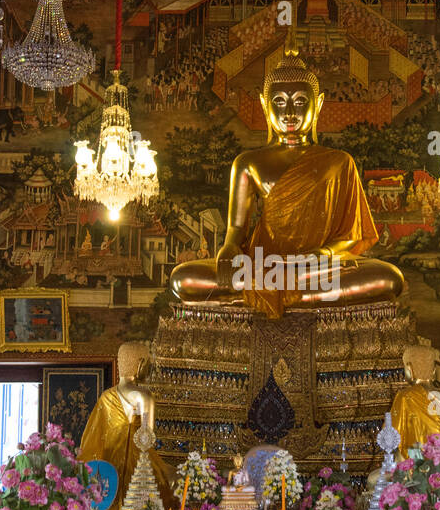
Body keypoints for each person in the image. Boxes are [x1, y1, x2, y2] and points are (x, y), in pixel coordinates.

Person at [168, 41, 404, 316]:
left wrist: (323, 255)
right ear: (264, 105)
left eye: (300, 102)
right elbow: (236, 229)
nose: (289, 113)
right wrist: (228, 251)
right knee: (183, 278)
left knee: (388, 278)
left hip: (317, 267)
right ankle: (293, 298)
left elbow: (352, 237)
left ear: (319, 105)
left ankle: (254, 300)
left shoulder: (340, 162)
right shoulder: (248, 163)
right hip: (264, 265)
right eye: (279, 102)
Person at [78, 342, 172, 510]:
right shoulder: (144, 397)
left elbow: (93, 442)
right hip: (137, 470)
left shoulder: (105, 397)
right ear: (140, 365)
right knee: (162, 495)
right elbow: (148, 439)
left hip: (108, 478)